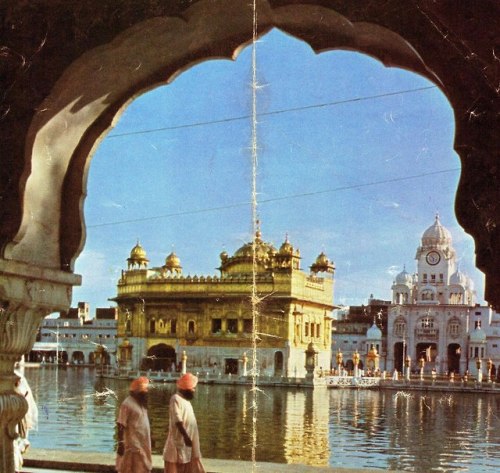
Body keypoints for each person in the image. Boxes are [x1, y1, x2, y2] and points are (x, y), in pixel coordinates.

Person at [163, 373, 205, 473]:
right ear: (186, 388)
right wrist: (186, 437)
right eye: (192, 388)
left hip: (188, 445)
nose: (194, 391)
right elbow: (178, 420)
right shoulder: (175, 399)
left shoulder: (186, 402)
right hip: (178, 443)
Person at [116, 376, 152, 473]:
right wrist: (121, 443)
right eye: (145, 390)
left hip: (143, 444)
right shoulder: (127, 404)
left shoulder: (141, 404)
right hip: (133, 447)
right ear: (137, 391)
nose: (147, 392)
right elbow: (120, 424)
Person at [13, 365, 38, 473]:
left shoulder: (17, 379)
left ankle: (15, 467)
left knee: (12, 444)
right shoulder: (17, 378)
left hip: (15, 417)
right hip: (16, 416)